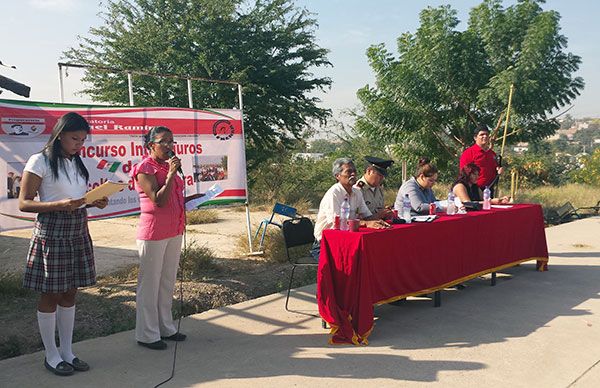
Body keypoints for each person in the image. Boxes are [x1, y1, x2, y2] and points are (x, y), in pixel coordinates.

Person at [19, 112, 108, 376]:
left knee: (70, 292)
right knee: (51, 294)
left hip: (78, 230)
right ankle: (51, 354)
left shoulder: (76, 162)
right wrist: (57, 205)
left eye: (82, 139)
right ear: (59, 136)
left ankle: (67, 351)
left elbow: (76, 198)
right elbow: (25, 202)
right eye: (74, 139)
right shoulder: (40, 160)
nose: (79, 144)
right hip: (53, 232)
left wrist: (94, 201)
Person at [131, 126, 197, 350]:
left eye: (172, 141)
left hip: (174, 229)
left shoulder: (170, 167)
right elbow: (158, 199)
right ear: (151, 145)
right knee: (150, 284)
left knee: (167, 281)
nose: (169, 146)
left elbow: (174, 198)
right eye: (164, 142)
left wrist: (198, 198)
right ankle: (147, 334)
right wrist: (170, 174)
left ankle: (165, 327)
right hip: (154, 232)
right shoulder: (145, 167)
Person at [312, 158, 390, 261]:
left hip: (348, 240)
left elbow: (367, 216)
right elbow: (338, 224)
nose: (353, 174)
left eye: (354, 171)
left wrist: (380, 219)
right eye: (348, 171)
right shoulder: (334, 193)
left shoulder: (356, 192)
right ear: (337, 176)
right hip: (326, 244)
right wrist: (366, 223)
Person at [459, 124, 504, 196]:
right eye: (482, 134)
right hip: (474, 190)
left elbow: (495, 170)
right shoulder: (468, 153)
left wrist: (499, 171)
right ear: (475, 137)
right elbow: (463, 173)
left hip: (489, 190)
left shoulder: (492, 154)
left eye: (487, 134)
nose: (485, 136)